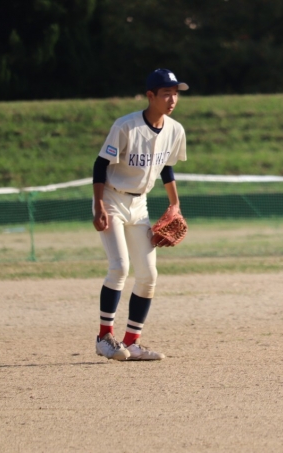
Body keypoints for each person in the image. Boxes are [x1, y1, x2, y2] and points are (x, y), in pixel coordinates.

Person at [92, 68, 189, 361]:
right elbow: (100, 164)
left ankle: (132, 342)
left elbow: (167, 168)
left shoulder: (175, 130)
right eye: (166, 94)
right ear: (150, 96)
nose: (172, 99)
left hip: (140, 204)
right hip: (112, 199)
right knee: (119, 267)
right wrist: (98, 205)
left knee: (148, 275)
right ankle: (104, 338)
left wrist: (175, 205)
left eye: (176, 94)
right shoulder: (126, 126)